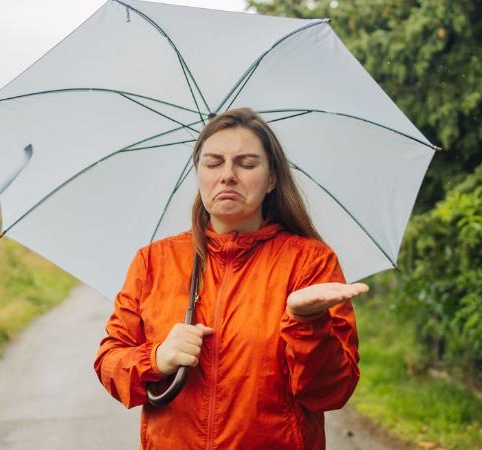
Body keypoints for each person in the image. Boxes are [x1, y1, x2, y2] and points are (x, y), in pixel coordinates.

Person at [94, 107, 368, 450]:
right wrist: (157, 358)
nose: (227, 175)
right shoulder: (154, 261)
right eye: (213, 163)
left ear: (271, 179)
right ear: (199, 173)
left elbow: (331, 392)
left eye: (247, 163)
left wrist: (307, 323)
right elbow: (110, 361)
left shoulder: (310, 263)